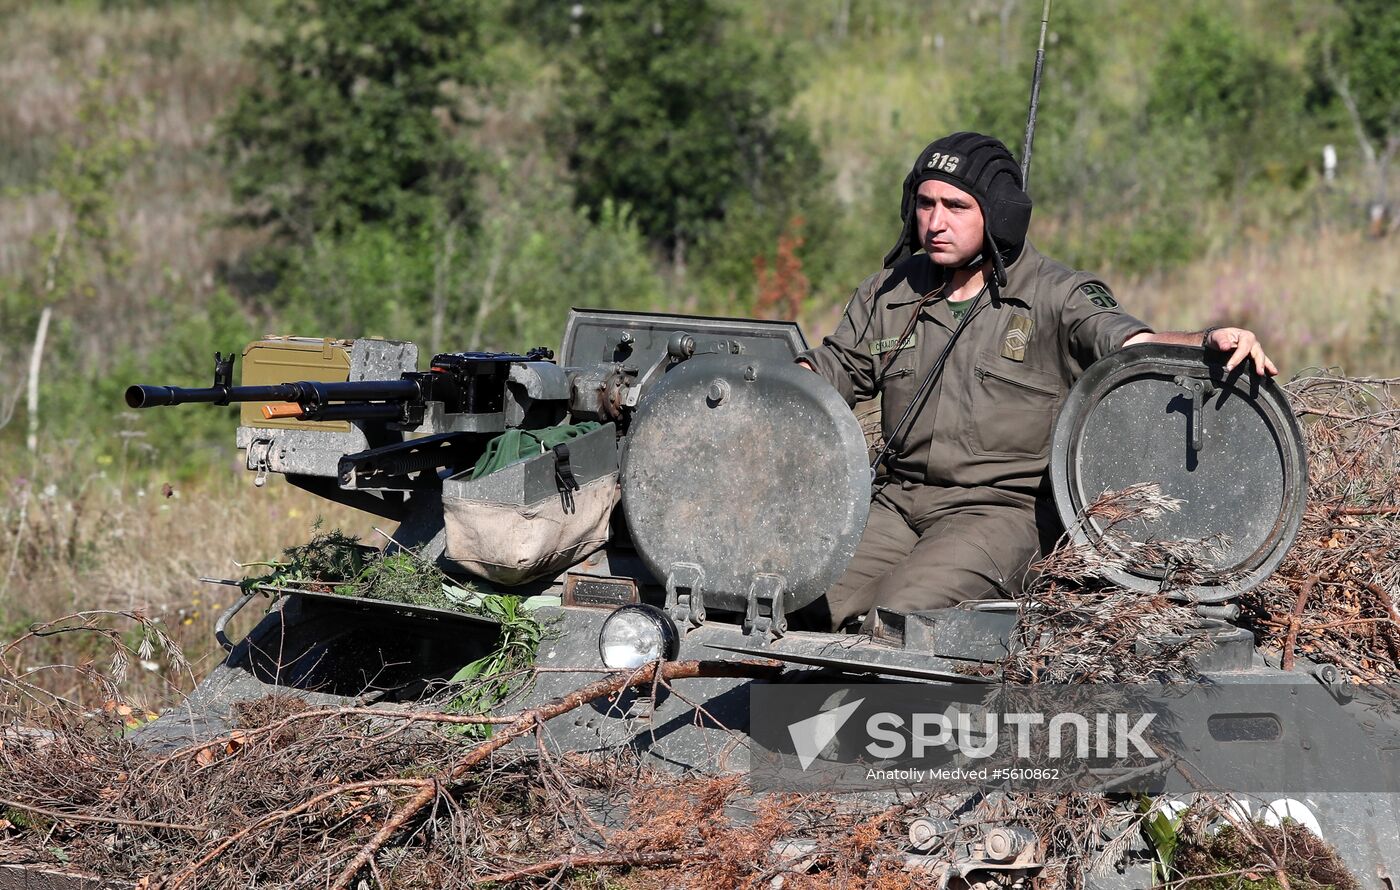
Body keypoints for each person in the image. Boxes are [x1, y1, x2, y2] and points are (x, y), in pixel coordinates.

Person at [796, 132, 1277, 632]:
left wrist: (1204, 341)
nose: (935, 223)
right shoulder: (892, 290)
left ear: (998, 213)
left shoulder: (1057, 296)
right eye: (925, 203)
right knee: (802, 598)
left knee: (898, 619)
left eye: (956, 206)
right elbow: (835, 369)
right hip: (896, 502)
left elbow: (1128, 344)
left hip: (1002, 513)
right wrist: (775, 387)